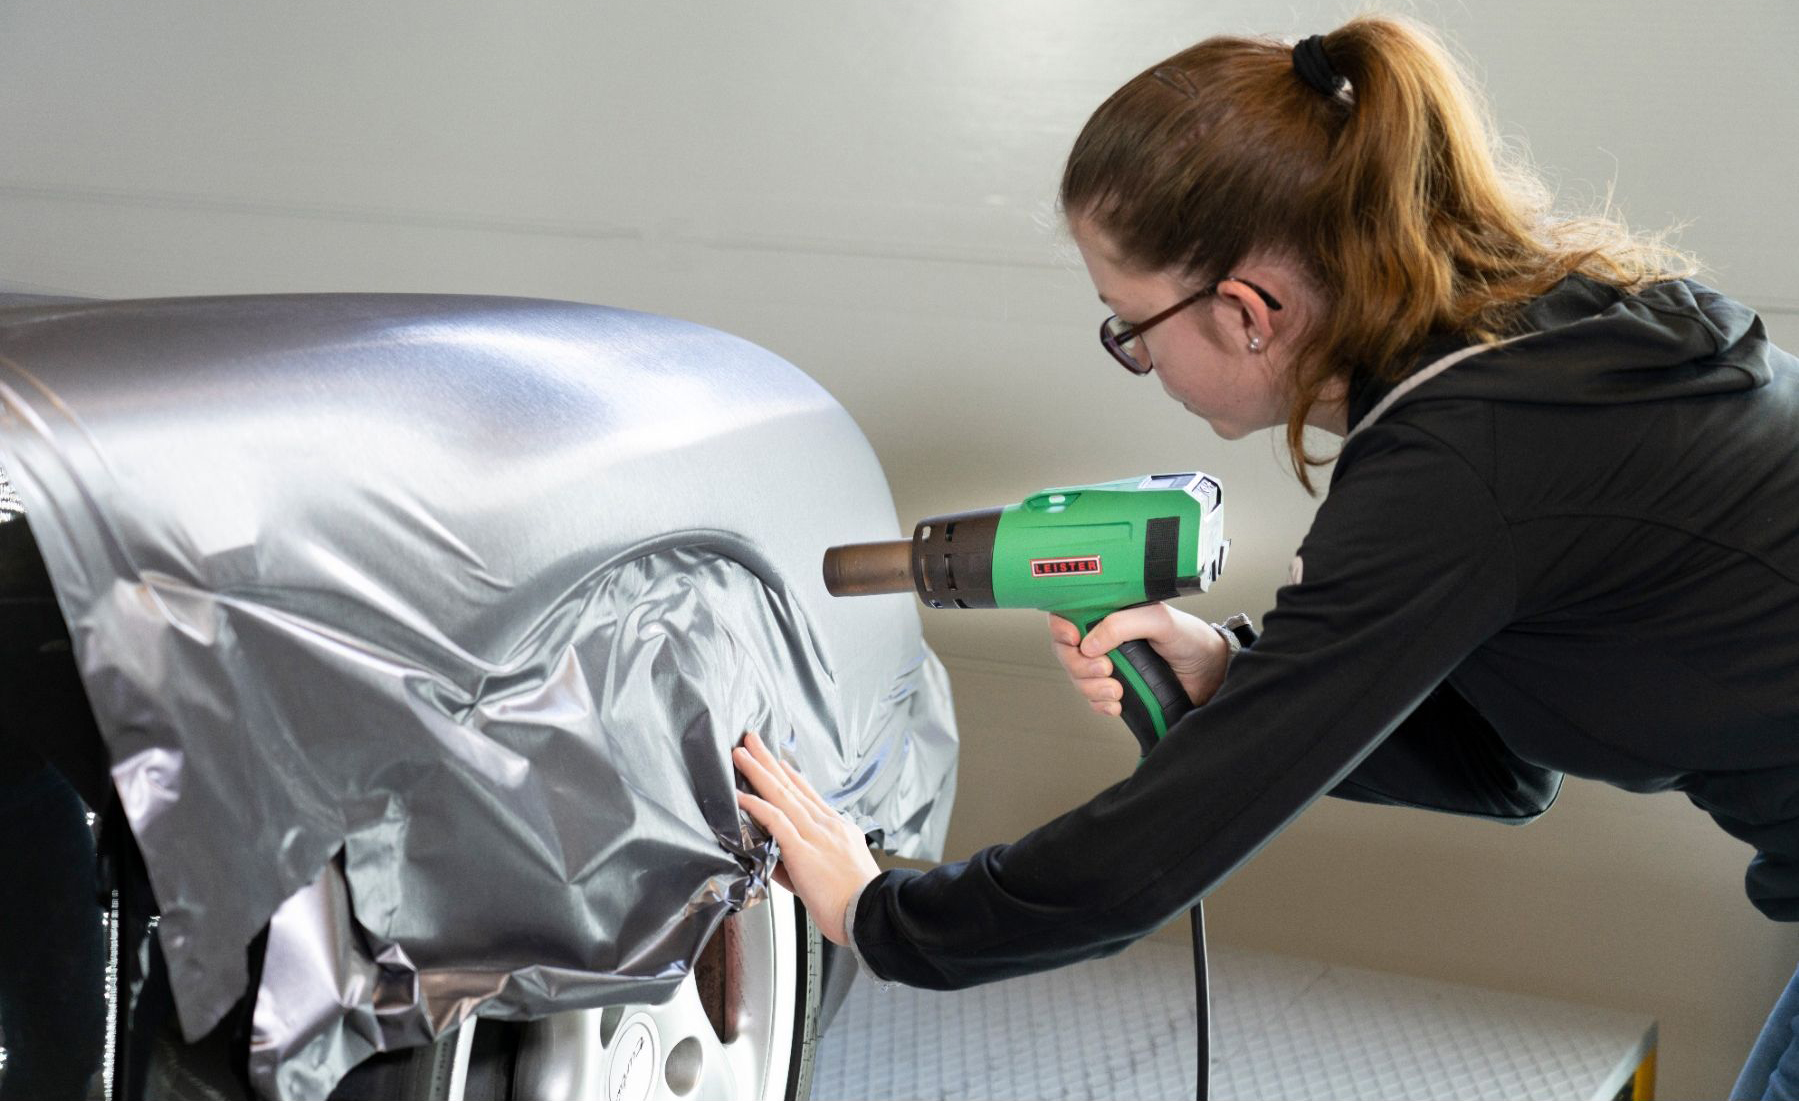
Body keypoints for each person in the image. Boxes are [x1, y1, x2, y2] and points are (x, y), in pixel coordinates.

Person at [733, 14, 1799, 1100]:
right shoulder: (1535, 348)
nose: (1136, 358)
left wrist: (878, 914)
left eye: (1127, 326)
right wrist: (1229, 675)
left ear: (1244, 312)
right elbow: (1505, 767)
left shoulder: (1452, 469)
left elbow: (1141, 866)